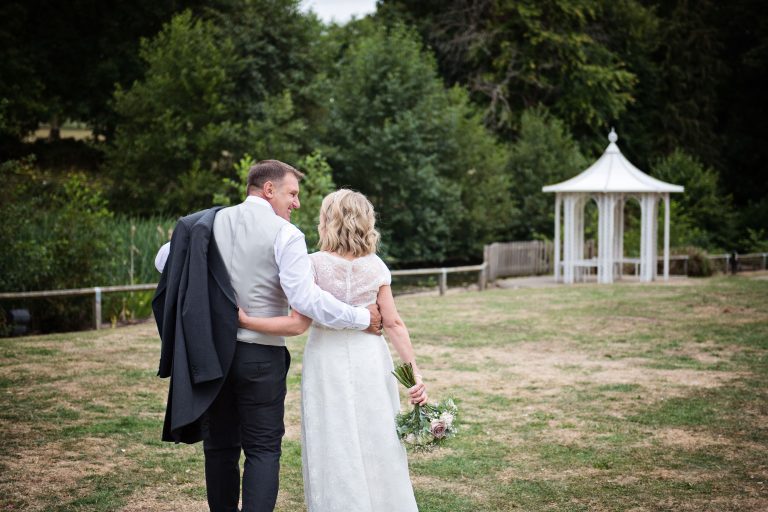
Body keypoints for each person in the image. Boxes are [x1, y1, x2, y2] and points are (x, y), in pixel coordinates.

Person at [155, 161, 384, 512]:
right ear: (269, 190)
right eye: (292, 193)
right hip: (260, 359)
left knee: (219, 450)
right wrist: (359, 317)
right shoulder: (285, 234)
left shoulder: (205, 223)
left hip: (211, 357)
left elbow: (164, 260)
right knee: (262, 450)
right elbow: (305, 299)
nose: (296, 203)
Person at [239, 189, 427, 512]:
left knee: (333, 437)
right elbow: (394, 324)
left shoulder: (313, 265)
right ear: (365, 224)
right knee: (377, 433)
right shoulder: (377, 267)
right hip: (370, 357)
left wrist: (246, 320)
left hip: (326, 359)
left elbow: (298, 321)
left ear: (328, 222)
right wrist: (414, 375)